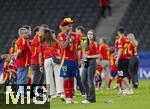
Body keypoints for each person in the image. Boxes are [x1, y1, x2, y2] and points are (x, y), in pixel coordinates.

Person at [58, 17, 79, 104]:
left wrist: (78, 59)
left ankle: (71, 97)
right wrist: (68, 37)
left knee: (72, 78)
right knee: (66, 78)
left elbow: (74, 48)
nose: (70, 27)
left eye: (71, 26)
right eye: (68, 26)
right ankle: (67, 98)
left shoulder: (74, 35)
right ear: (64, 27)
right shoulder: (61, 35)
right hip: (65, 60)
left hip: (73, 60)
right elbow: (63, 46)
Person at [39, 28, 64, 101]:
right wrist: (60, 59)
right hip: (56, 59)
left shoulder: (41, 43)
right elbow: (60, 51)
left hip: (47, 60)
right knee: (58, 76)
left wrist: (41, 65)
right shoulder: (55, 41)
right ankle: (61, 92)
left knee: (49, 77)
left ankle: (51, 94)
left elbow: (40, 55)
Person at [81, 29, 99, 104]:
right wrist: (83, 59)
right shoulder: (85, 43)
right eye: (88, 34)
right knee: (83, 80)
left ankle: (90, 98)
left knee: (90, 80)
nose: (89, 35)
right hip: (86, 62)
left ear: (93, 35)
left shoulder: (95, 44)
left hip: (92, 61)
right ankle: (89, 97)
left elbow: (99, 55)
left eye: (91, 34)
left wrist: (89, 56)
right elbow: (83, 53)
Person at [115, 27, 133, 95]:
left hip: (122, 59)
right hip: (127, 58)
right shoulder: (127, 39)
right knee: (123, 74)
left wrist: (117, 58)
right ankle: (124, 90)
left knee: (121, 75)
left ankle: (130, 88)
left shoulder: (121, 39)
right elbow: (130, 50)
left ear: (118, 32)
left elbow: (120, 49)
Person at [14, 27, 31, 95]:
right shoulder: (22, 40)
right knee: (22, 79)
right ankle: (22, 94)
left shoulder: (22, 40)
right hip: (23, 62)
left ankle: (19, 93)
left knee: (20, 78)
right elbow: (20, 51)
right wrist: (16, 56)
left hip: (21, 62)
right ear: (21, 34)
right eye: (26, 33)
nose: (27, 34)